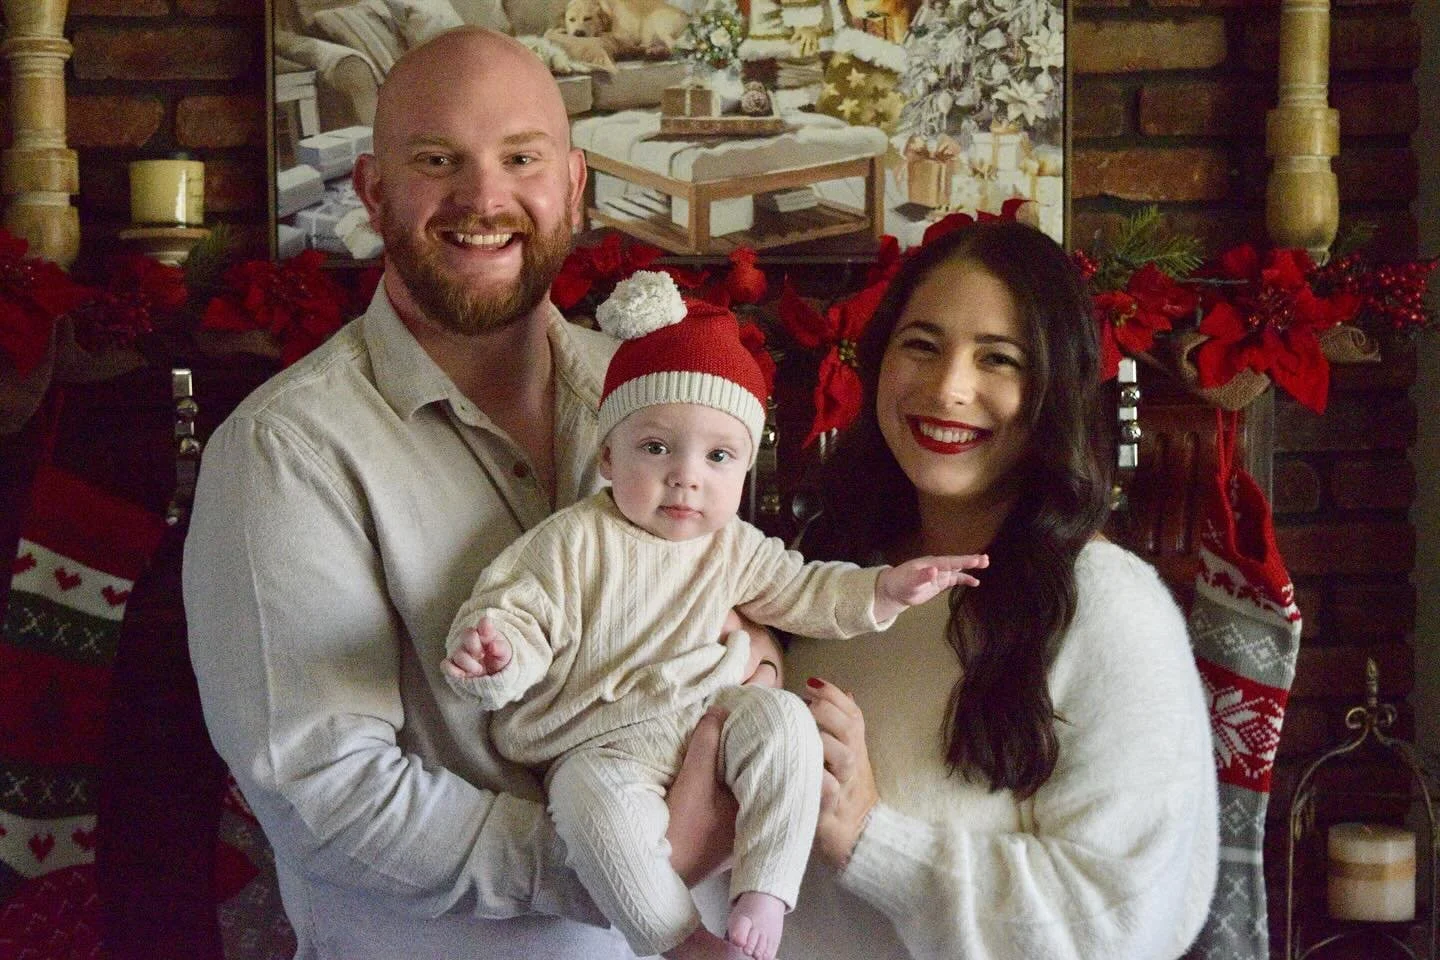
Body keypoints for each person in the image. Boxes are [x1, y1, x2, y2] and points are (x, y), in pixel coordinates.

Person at [183, 27, 759, 960]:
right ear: (374, 191)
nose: (484, 198)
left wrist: (762, 677)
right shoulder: (283, 450)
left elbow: (742, 593)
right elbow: (326, 792)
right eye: (437, 160)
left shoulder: (652, 398)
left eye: (520, 158)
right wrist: (619, 865)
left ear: (572, 184)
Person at [440, 271, 988, 960]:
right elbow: (516, 612)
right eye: (655, 447)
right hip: (600, 744)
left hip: (713, 713)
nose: (686, 475)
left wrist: (883, 592)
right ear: (608, 454)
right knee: (594, 815)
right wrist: (495, 657)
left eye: (717, 455)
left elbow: (805, 590)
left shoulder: (732, 547)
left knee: (788, 721)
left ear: (744, 469)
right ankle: (679, 941)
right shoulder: (573, 540)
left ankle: (767, 885)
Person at [776, 220, 1220, 959]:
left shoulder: (1110, 607)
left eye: (999, 359)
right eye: (921, 344)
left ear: (1055, 391)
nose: (949, 388)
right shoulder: (828, 576)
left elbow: (1124, 922)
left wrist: (870, 839)